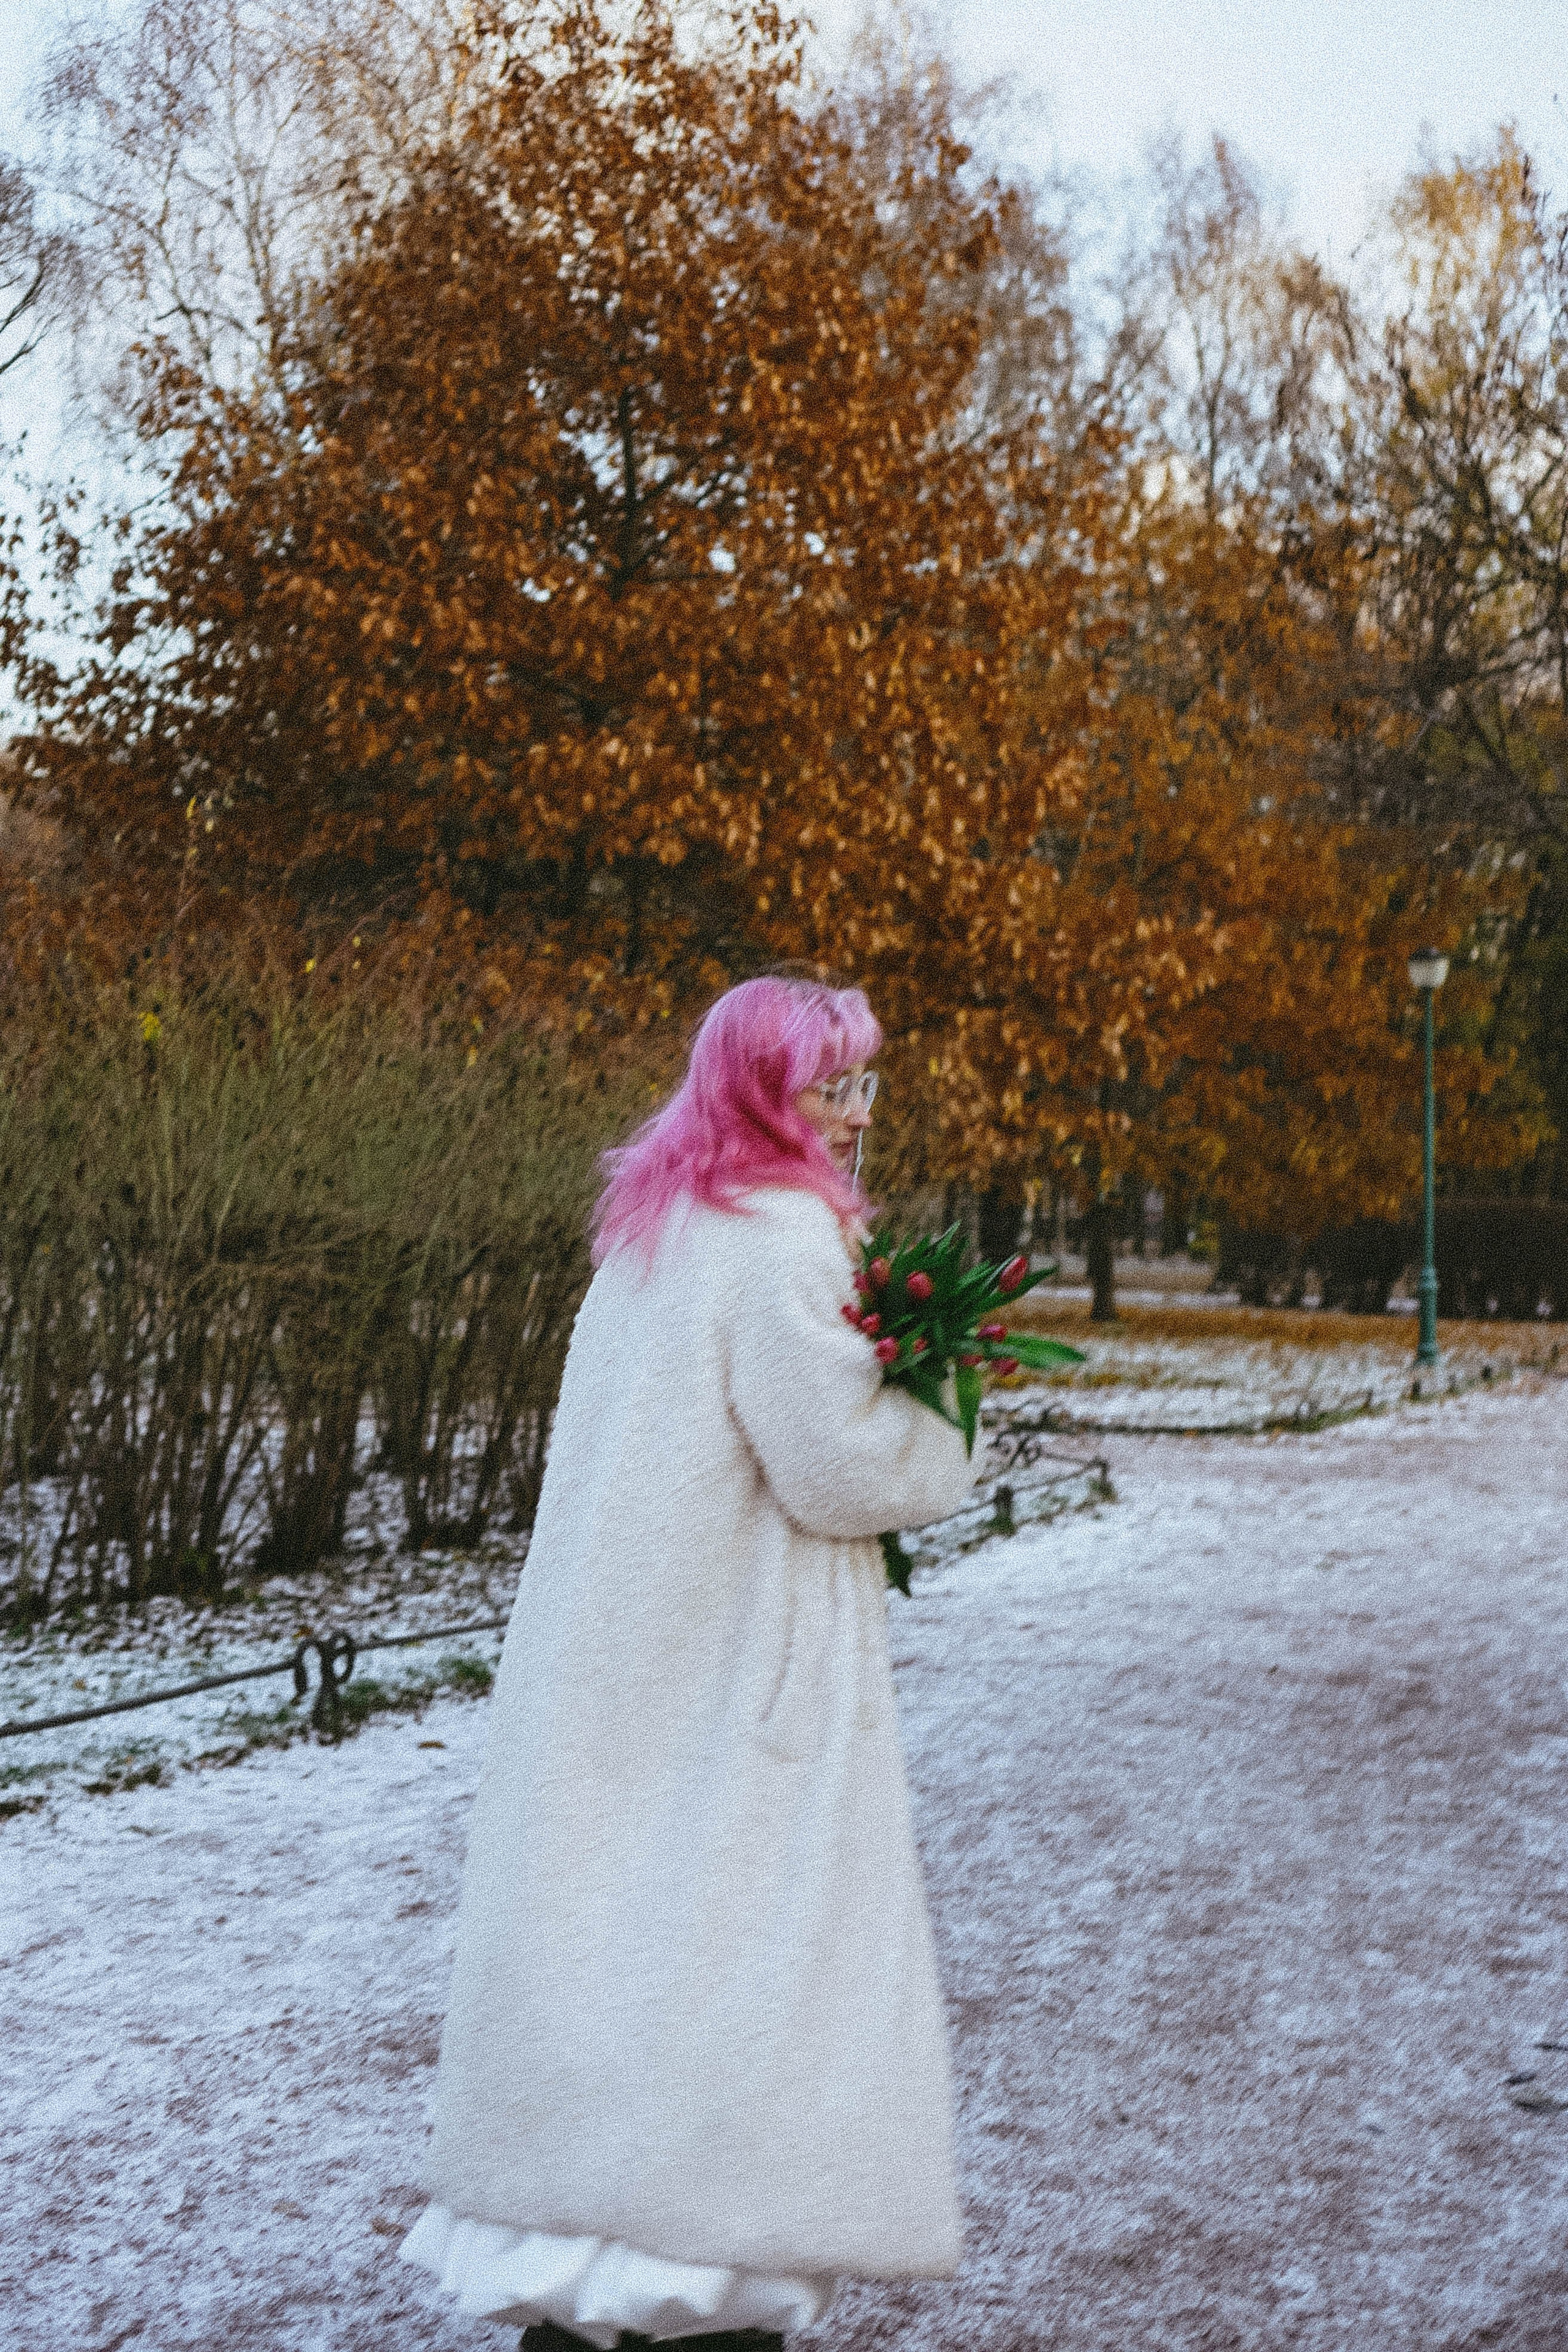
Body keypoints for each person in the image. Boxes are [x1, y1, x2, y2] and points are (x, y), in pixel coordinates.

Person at [399, 974, 977, 2349]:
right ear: (762, 1093)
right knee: (734, 1977)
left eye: (861, 1084)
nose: (852, 1114)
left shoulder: (652, 1226)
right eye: (828, 1086)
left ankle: (582, 2280)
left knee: (617, 1959)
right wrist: (943, 1397)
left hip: (619, 1657)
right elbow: (841, 1467)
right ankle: (698, 2287)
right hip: (736, 1673)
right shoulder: (780, 1235)